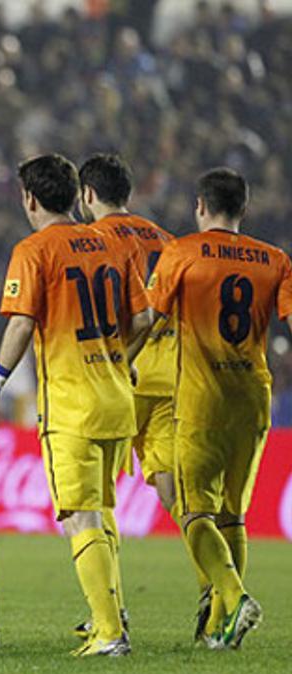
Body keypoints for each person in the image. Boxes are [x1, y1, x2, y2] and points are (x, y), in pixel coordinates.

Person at [0, 154, 152, 657]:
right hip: (117, 399)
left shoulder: (34, 250)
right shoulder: (114, 244)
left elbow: (21, 324)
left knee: (78, 517)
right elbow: (144, 317)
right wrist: (118, 357)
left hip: (73, 405)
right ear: (76, 194)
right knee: (101, 512)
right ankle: (111, 620)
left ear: (30, 199)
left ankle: (110, 633)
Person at [146, 168, 282, 649]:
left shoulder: (181, 252)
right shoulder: (276, 259)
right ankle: (220, 630)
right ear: (243, 209)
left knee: (192, 509)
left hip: (201, 401)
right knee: (234, 515)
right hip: (254, 399)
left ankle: (234, 595)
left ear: (200, 207)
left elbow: (150, 318)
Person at [76, 153, 175, 641]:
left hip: (118, 373)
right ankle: (220, 588)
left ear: (87, 195)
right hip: (175, 375)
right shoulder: (166, 238)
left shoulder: (91, 241)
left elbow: (117, 314)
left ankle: (109, 611)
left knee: (93, 497)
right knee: (175, 488)